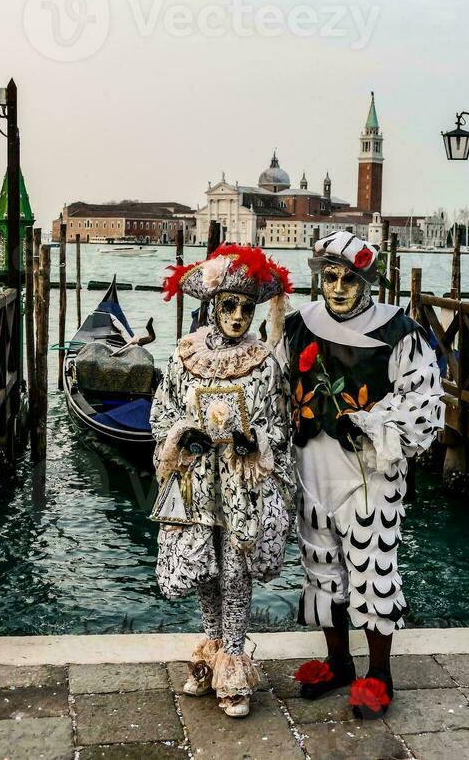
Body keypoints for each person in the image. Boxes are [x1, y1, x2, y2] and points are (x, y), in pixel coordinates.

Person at [278, 231, 444, 719]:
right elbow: (270, 381)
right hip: (311, 464)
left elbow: (425, 403)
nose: (339, 287)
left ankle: (379, 674)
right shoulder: (297, 325)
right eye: (330, 277)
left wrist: (375, 422)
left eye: (351, 278)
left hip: (369, 472)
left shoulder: (400, 331)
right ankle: (338, 662)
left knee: (374, 570)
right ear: (318, 277)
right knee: (321, 564)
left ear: (368, 281)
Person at [150, 244, 293, 719]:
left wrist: (255, 444)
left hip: (241, 484)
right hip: (195, 482)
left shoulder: (263, 361)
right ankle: (212, 652)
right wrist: (180, 435)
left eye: (246, 308)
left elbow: (279, 422)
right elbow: (163, 410)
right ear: (212, 306)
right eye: (228, 305)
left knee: (235, 571)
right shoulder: (185, 355)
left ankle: (234, 666)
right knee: (205, 572)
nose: (237, 316)